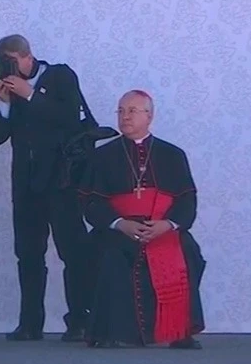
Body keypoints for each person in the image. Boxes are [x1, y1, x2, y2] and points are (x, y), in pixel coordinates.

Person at [78, 90, 206, 349]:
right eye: (121, 111)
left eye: (132, 111)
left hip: (162, 229)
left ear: (149, 115)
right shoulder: (102, 156)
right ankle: (111, 332)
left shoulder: (172, 155)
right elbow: (91, 203)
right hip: (119, 230)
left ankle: (179, 331)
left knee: (188, 250)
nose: (124, 117)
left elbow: (187, 200)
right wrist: (119, 223)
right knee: (108, 254)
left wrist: (167, 225)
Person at [0, 34, 91, 342]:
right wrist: (4, 103)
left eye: (11, 62)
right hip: (26, 183)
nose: (8, 68)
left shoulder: (59, 76)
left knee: (73, 252)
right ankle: (30, 323)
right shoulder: (9, 88)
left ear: (27, 57)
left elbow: (70, 118)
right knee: (28, 254)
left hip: (62, 181)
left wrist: (30, 94)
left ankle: (79, 320)